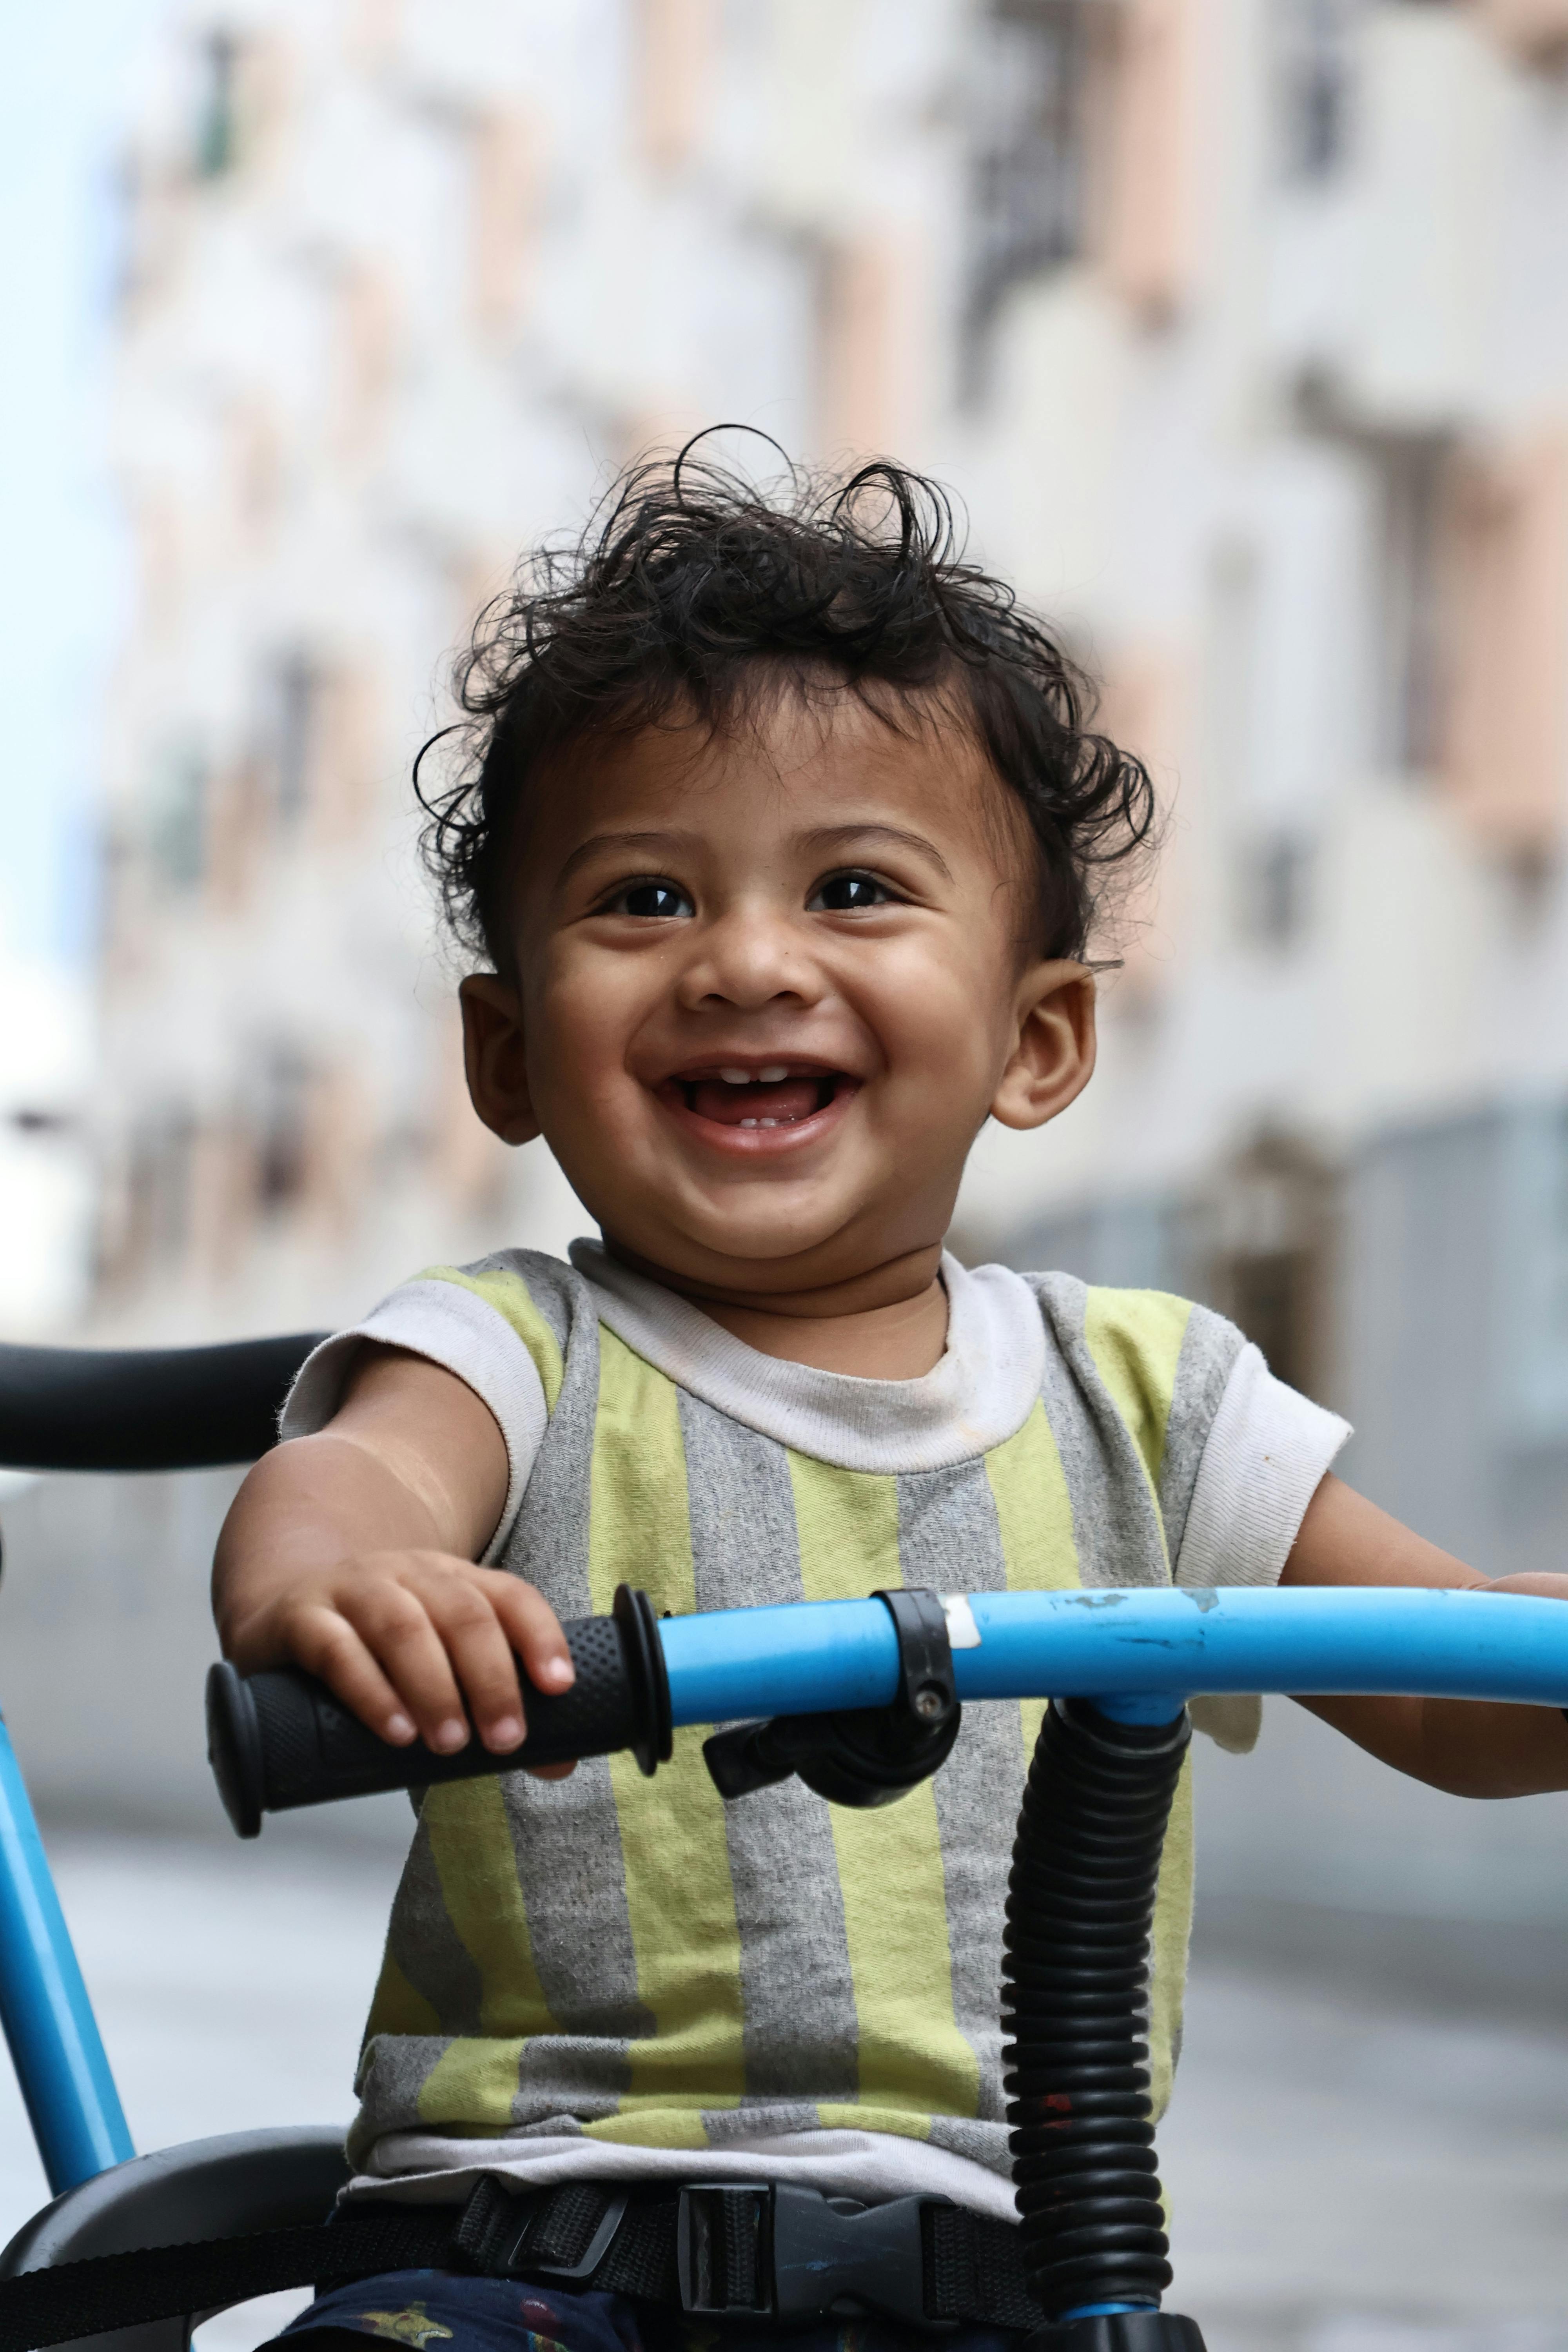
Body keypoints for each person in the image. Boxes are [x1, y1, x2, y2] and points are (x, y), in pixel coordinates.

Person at [214, 446, 1568, 2352]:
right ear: (509, 1050)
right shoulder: (515, 1351)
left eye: (853, 888)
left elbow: (1439, 1677)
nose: (748, 961)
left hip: (1011, 2272)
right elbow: (347, 1485)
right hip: (531, 2255)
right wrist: (348, 1583)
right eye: (645, 897)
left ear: (1038, 1039)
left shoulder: (1149, 1397)